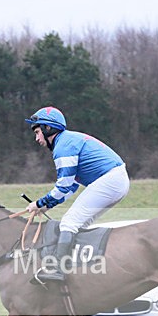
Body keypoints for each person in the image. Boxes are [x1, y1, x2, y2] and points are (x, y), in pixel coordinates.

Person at [24, 106, 129, 282]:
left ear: (48, 128)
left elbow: (63, 187)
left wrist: (39, 204)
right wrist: (47, 205)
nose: (37, 139)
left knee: (69, 222)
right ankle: (80, 268)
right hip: (116, 180)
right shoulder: (67, 141)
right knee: (79, 224)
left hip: (111, 180)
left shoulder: (63, 147)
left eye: (37, 132)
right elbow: (72, 186)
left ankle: (57, 269)